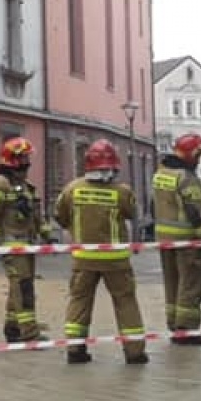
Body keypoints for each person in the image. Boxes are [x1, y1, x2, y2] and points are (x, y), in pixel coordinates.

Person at [54, 139, 148, 365]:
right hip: (116, 261)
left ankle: (75, 349)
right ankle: (134, 351)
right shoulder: (122, 192)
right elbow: (133, 214)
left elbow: (60, 216)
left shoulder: (72, 189)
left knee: (79, 302)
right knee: (125, 302)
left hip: (83, 259)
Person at [0, 136, 51, 342]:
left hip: (28, 244)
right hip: (11, 243)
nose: (27, 162)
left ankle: (12, 327)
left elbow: (36, 214)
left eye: (27, 157)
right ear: (12, 159)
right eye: (23, 158)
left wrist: (46, 233)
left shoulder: (27, 186)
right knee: (23, 287)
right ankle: (29, 331)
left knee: (21, 285)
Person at [152, 132, 201, 345]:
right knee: (192, 283)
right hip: (188, 240)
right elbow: (195, 211)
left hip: (165, 239)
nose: (199, 160)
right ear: (190, 155)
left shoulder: (161, 173)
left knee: (172, 282)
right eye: (198, 156)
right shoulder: (187, 178)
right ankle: (187, 329)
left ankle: (174, 323)